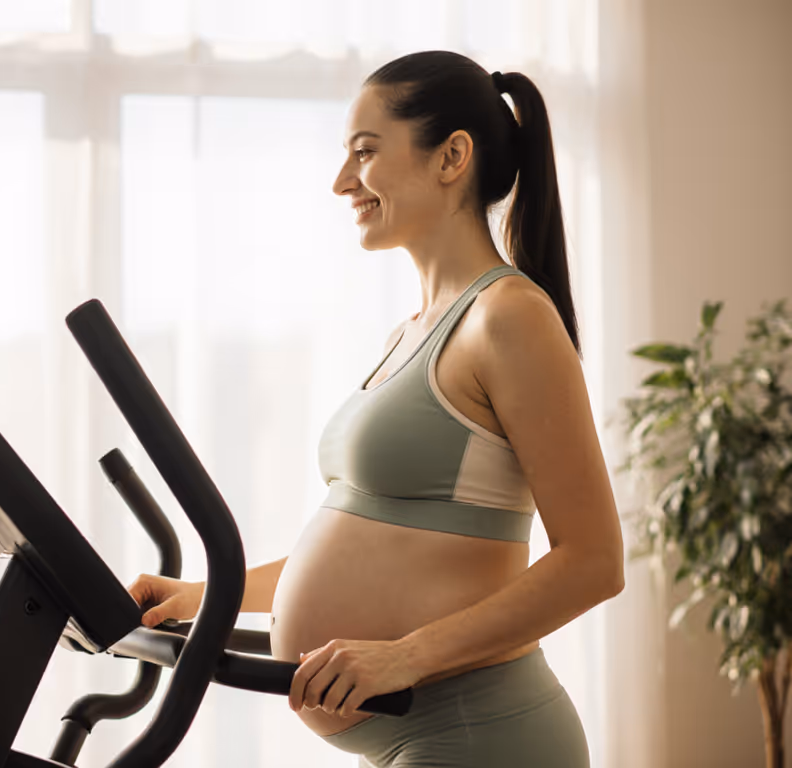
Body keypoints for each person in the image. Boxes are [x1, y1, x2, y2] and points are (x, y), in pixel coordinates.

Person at [127, 49, 624, 768]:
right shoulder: (411, 333)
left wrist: (405, 656)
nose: (342, 181)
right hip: (409, 736)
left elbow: (594, 562)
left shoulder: (508, 316)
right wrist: (201, 596)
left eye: (364, 152)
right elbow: (387, 547)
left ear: (452, 156)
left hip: (477, 730)